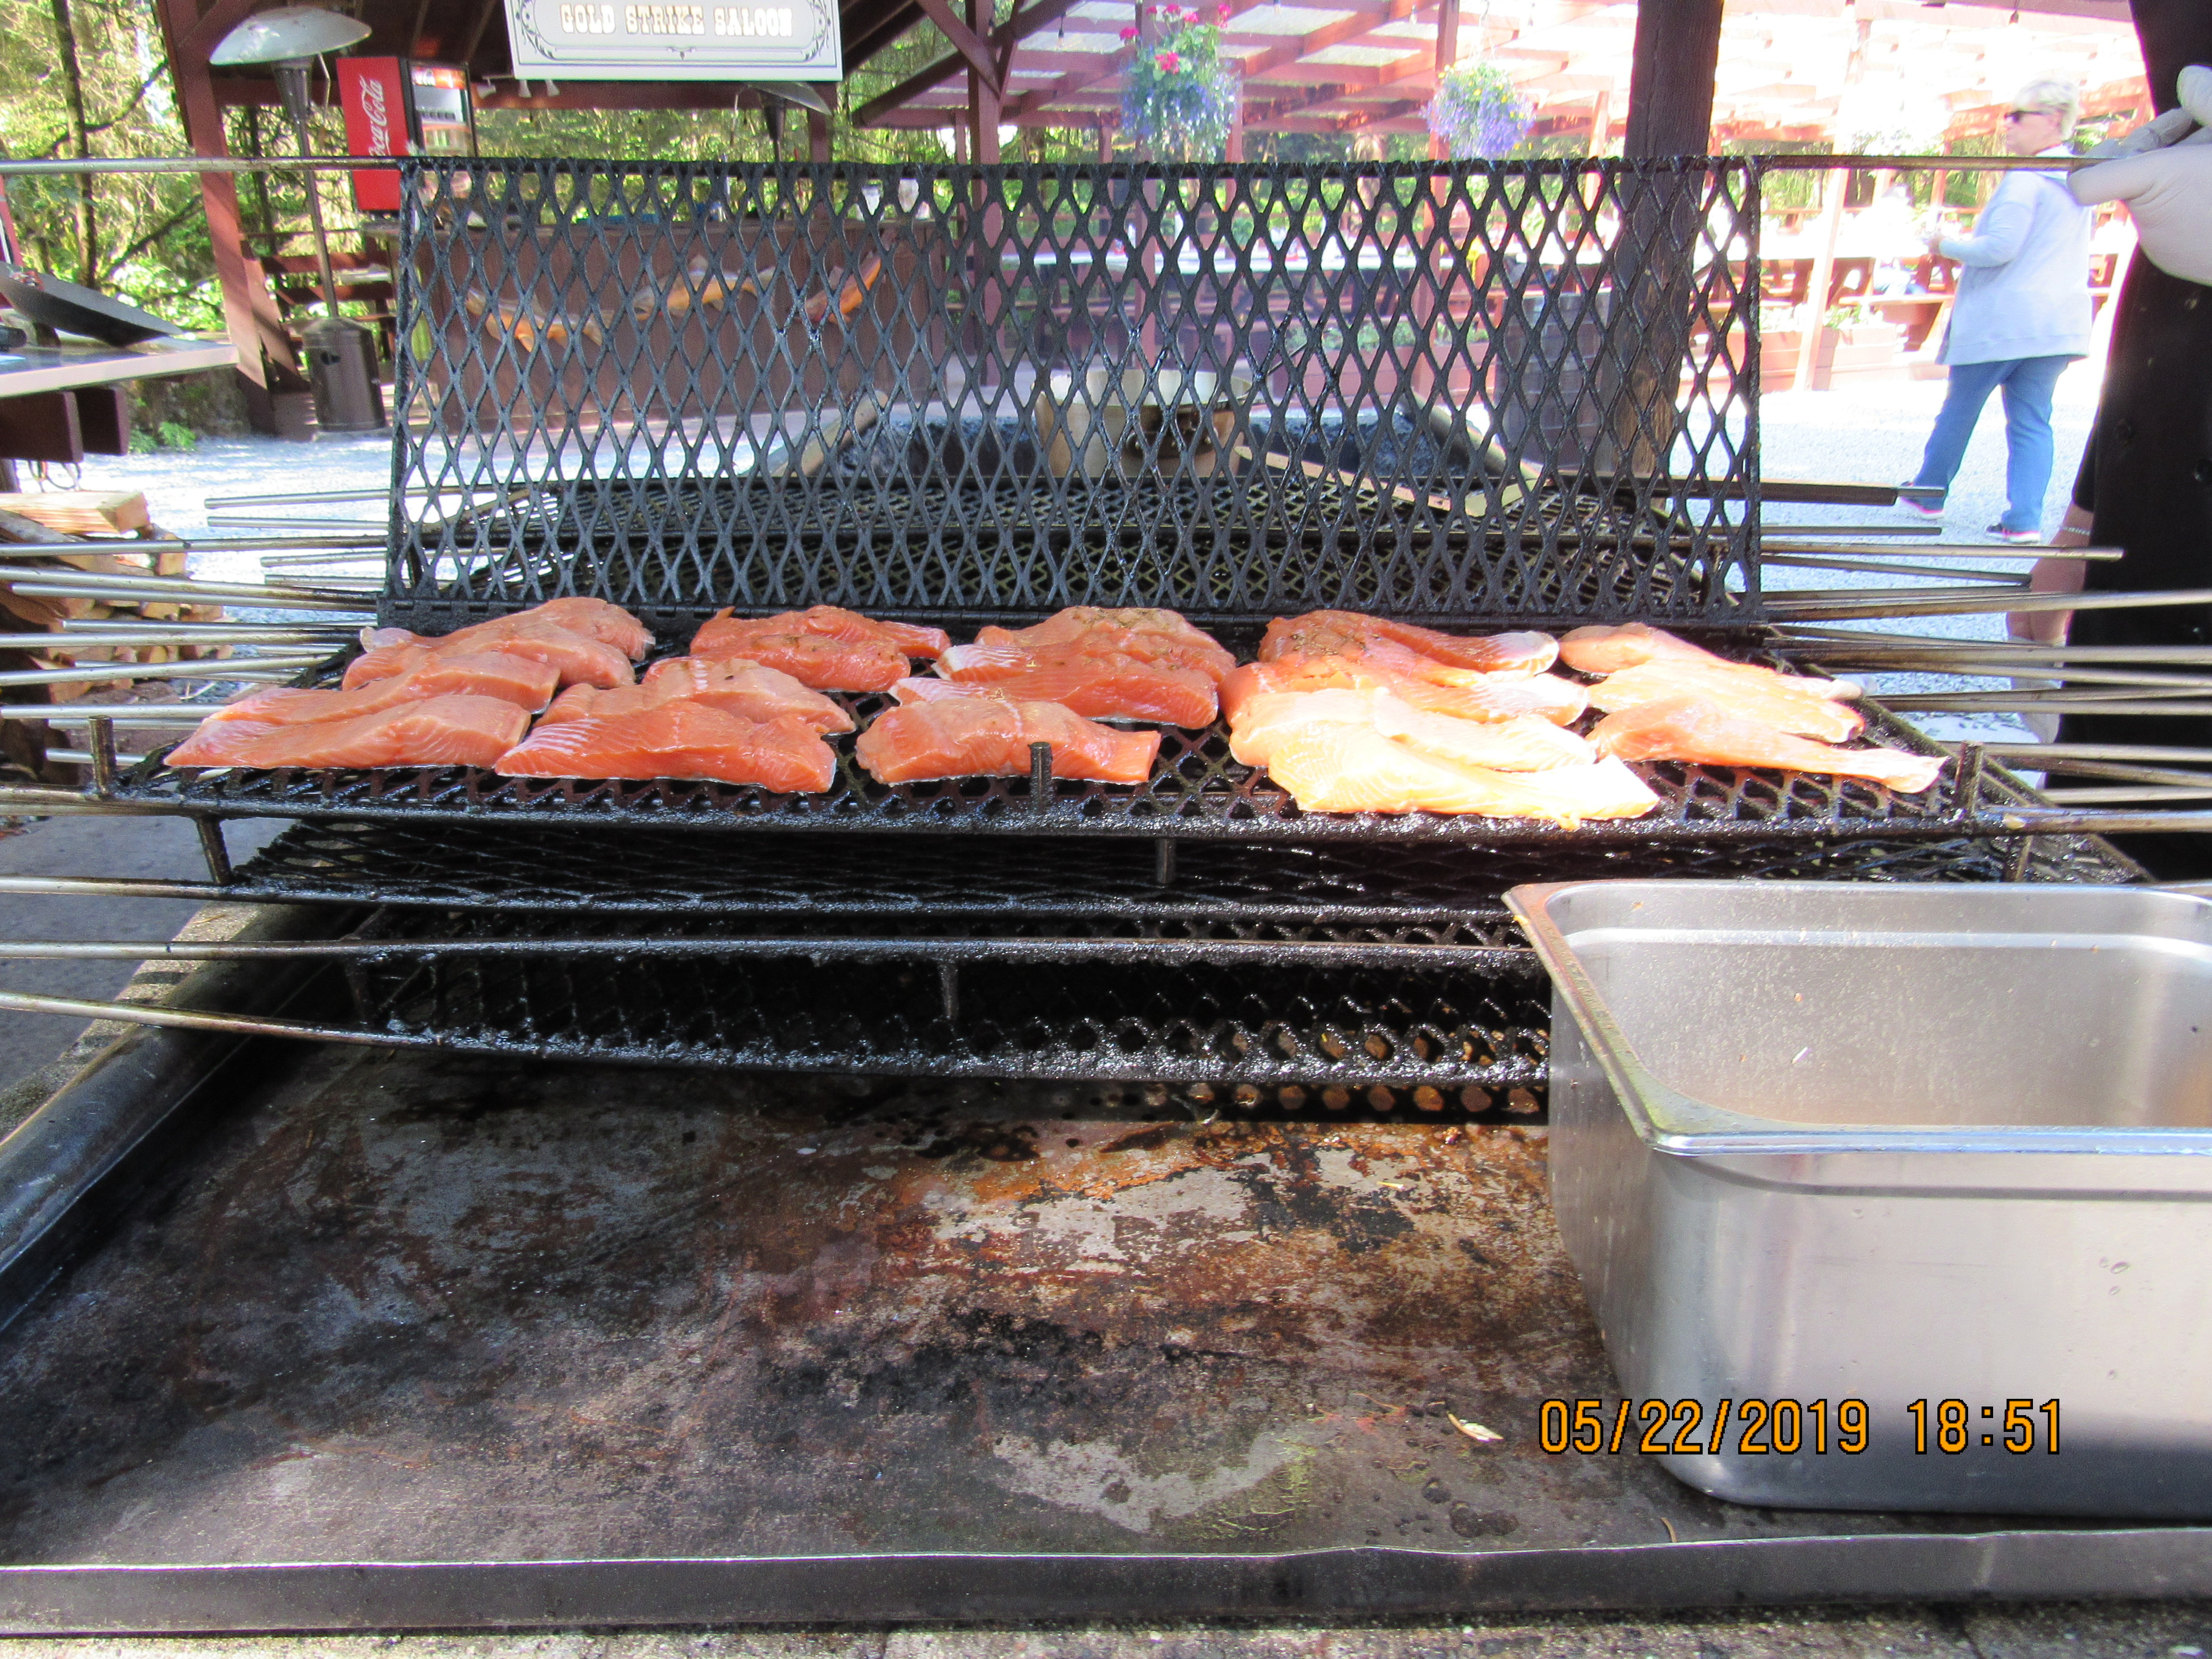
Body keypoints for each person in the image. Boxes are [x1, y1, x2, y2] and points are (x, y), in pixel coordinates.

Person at [1902, 78, 2094, 544]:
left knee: (1961, 409)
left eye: (2017, 115)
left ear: (2052, 120)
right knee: (2033, 421)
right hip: (2055, 322)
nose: (2006, 124)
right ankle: (2024, 518)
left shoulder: (2025, 179)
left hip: (2002, 320)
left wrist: (1944, 245)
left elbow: (1999, 248)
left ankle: (1928, 492)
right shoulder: (2078, 181)